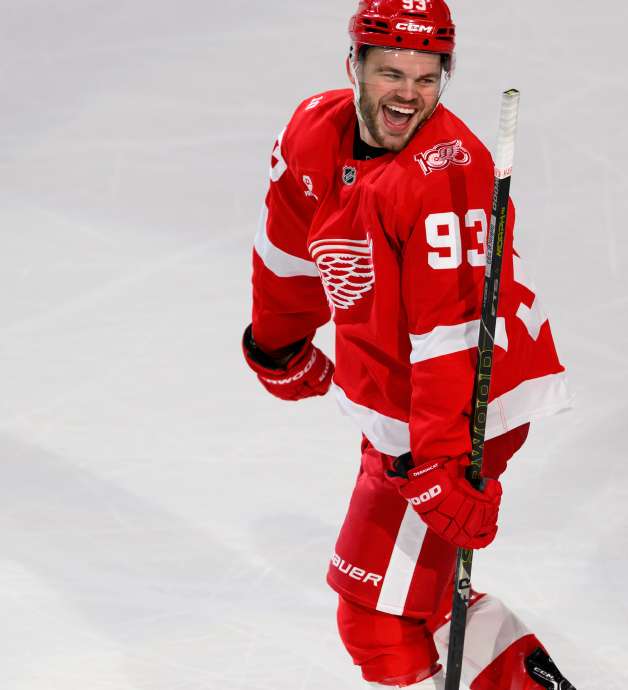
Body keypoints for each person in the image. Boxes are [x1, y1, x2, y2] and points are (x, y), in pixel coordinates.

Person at [242, 1, 575, 687]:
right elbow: (286, 250)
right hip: (406, 405)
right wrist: (279, 344)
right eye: (391, 72)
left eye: (427, 78)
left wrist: (442, 463)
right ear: (353, 67)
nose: (408, 94)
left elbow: (454, 336)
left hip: (465, 409)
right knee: (418, 604)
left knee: (376, 617)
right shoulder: (312, 131)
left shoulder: (449, 170)